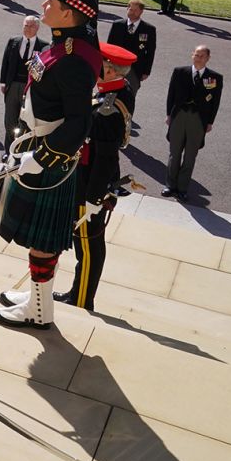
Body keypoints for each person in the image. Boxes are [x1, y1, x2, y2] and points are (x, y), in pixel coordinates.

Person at [0, 0, 102, 330]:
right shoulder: (63, 43)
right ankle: (38, 300)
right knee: (37, 238)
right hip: (37, 144)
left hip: (49, 156)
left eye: (50, 2)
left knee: (42, 240)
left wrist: (40, 158)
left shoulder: (73, 60)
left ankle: (39, 313)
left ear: (68, 13)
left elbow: (78, 125)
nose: (43, 5)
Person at [56, 43, 137, 311]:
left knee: (88, 248)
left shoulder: (108, 109)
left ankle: (81, 299)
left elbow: (105, 158)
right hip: (91, 180)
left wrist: (93, 197)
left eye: (100, 64)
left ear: (111, 70)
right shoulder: (114, 91)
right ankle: (78, 291)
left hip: (91, 185)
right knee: (88, 245)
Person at [163, 46, 222, 200]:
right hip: (179, 117)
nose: (199, 58)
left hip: (198, 120)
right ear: (192, 55)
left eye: (202, 56)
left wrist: (210, 122)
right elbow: (171, 94)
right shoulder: (179, 72)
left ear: (208, 58)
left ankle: (182, 188)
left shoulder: (215, 77)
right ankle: (170, 185)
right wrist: (169, 114)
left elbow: (215, 102)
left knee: (190, 156)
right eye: (196, 54)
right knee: (174, 153)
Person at [0, 15, 42, 150]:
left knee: (26, 120)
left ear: (37, 28)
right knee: (10, 120)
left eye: (31, 26)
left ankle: (22, 149)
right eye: (25, 25)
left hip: (29, 88)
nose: (28, 29)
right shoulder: (13, 41)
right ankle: (8, 150)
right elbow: (5, 62)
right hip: (12, 85)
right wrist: (3, 82)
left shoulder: (44, 46)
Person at [105, 0, 156, 103]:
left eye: (135, 10)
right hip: (115, 66)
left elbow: (150, 52)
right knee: (110, 92)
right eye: (130, 9)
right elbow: (109, 46)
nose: (132, 12)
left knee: (130, 95)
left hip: (135, 69)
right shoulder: (117, 25)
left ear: (141, 12)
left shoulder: (148, 29)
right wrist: (105, 64)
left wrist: (146, 71)